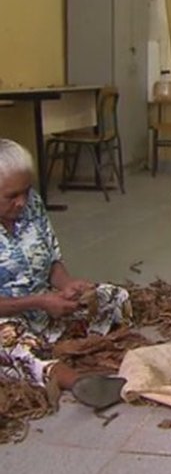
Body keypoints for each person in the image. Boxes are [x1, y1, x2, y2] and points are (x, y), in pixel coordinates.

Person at [0, 139, 131, 407]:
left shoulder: (32, 204)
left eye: (26, 191)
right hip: (7, 318)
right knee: (8, 342)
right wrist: (40, 301)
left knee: (114, 297)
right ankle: (74, 380)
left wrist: (67, 286)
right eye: (11, 196)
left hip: (43, 310)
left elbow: (52, 261)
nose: (22, 202)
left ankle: (60, 343)